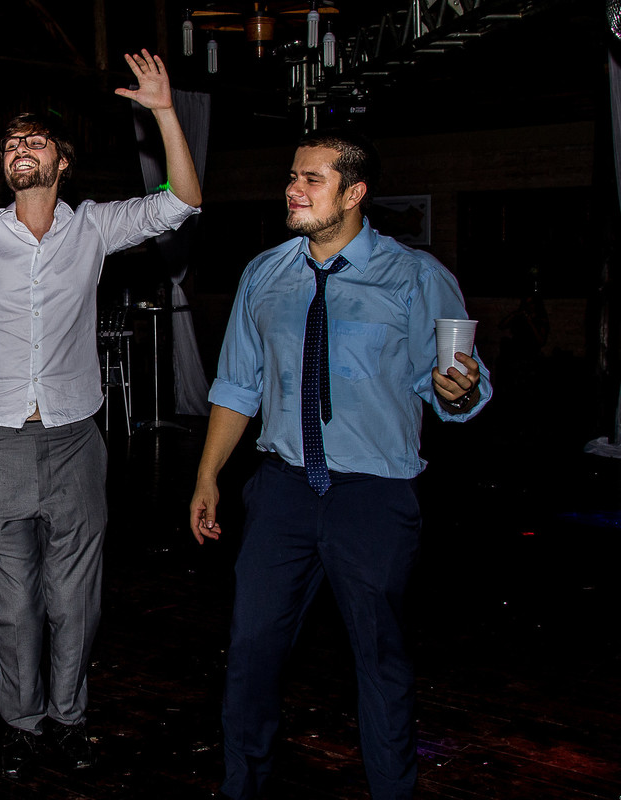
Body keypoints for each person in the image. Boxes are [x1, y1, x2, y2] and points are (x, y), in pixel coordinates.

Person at [0, 50, 201, 776]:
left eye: (36, 140)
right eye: (10, 144)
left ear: (62, 162)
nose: (20, 148)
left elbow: (181, 201)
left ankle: (69, 717)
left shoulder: (95, 228)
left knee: (74, 601)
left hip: (76, 438)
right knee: (13, 603)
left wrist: (165, 114)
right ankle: (21, 723)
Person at [188, 129, 492, 800]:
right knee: (250, 654)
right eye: (292, 176)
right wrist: (208, 475)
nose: (293, 190)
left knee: (380, 659)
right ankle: (243, 787)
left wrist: (459, 390)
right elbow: (238, 385)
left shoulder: (415, 277)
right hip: (281, 491)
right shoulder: (264, 274)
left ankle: (392, 792)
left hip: (374, 496)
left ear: (354, 193)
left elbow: (458, 380)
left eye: (312, 179)